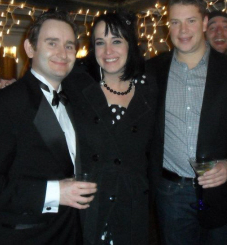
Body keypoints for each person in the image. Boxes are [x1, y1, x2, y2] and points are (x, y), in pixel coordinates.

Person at [146, 0, 227, 245]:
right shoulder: (152, 71)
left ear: (204, 23)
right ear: (167, 25)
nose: (183, 30)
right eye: (175, 22)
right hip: (170, 192)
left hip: (220, 191)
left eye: (191, 21)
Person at [0, 10, 97, 244]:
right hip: (26, 235)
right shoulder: (5, 103)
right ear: (29, 48)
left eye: (69, 46)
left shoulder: (75, 99)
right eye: (52, 43)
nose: (62, 53)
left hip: (70, 231)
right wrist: (57, 192)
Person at [62, 12, 157, 245]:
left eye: (116, 41)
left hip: (132, 202)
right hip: (89, 200)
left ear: (130, 45)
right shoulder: (76, 82)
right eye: (99, 43)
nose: (108, 51)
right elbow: (40, 89)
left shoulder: (150, 87)